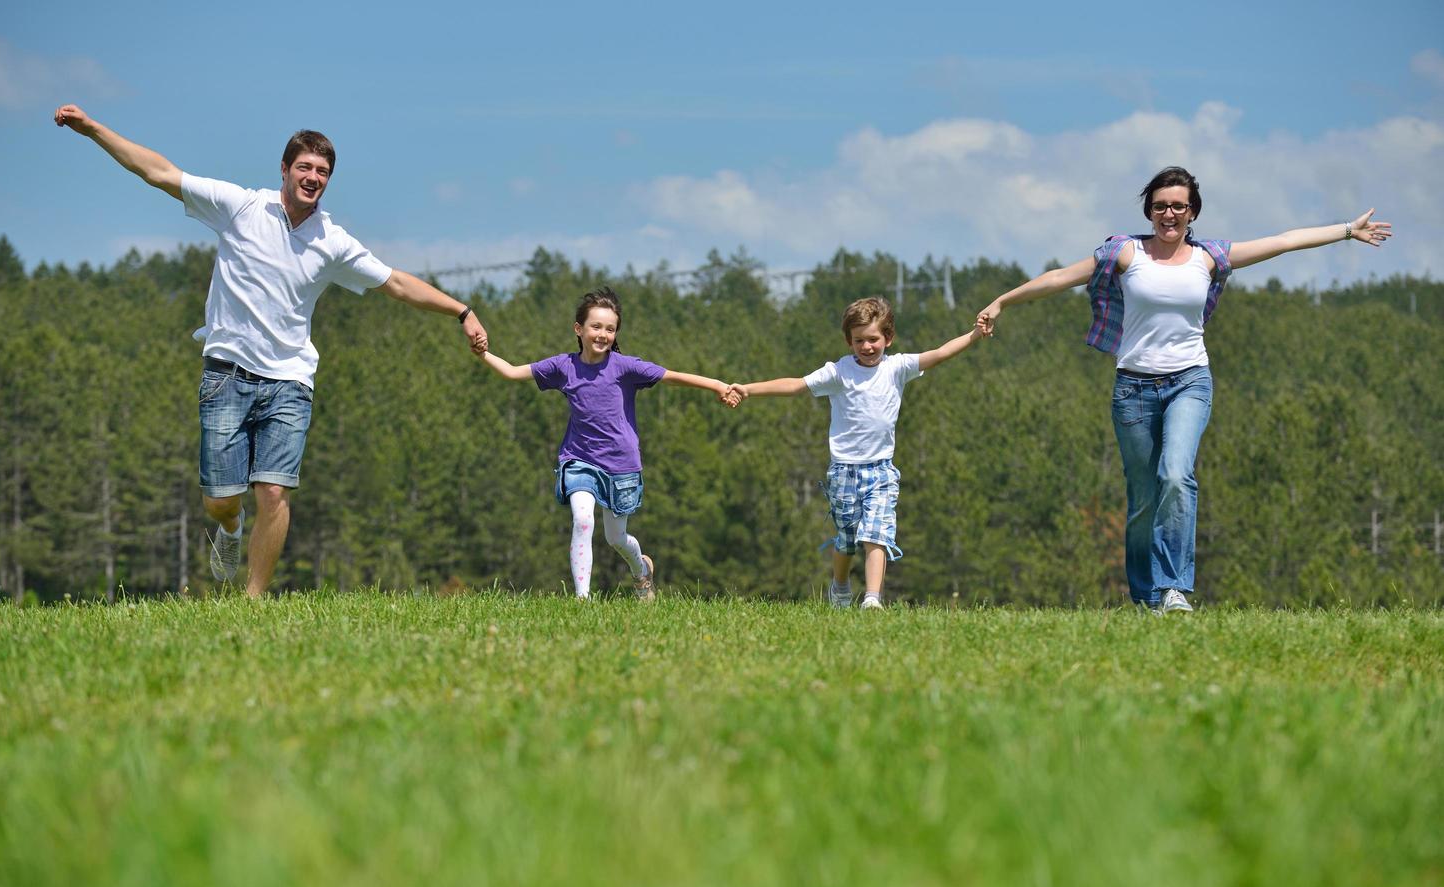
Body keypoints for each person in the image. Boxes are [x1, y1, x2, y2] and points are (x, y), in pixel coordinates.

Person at [53, 104, 490, 597]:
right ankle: (231, 528)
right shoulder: (240, 206)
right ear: (284, 170)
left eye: (322, 172)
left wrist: (461, 310)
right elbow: (156, 171)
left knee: (274, 491)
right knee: (221, 499)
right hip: (227, 373)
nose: (313, 177)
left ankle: (253, 600)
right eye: (304, 167)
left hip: (290, 380)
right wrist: (92, 129)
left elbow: (396, 283)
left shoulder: (332, 241)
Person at [975, 166, 1391, 613]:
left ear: (1192, 212)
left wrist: (1347, 231)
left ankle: (1174, 587)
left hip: (1189, 381)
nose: (1169, 213)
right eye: (1160, 206)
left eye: (1178, 206)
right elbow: (1060, 277)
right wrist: (1002, 300)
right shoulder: (1125, 254)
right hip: (1132, 388)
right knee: (1142, 499)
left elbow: (1284, 241)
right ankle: (1145, 597)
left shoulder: (1209, 257)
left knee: (1176, 475)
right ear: (1149, 211)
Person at [474, 286, 737, 601]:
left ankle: (641, 571)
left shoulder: (624, 367)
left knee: (616, 538)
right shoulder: (563, 366)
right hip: (579, 459)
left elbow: (673, 376)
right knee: (583, 520)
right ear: (579, 329)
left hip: (621, 464)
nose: (602, 334)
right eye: (596, 326)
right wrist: (483, 354)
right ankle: (582, 600)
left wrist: (718, 386)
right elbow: (513, 372)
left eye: (610, 329)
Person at [730, 297, 989, 609]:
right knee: (847, 540)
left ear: (888, 338)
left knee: (876, 533)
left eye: (873, 339)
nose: (867, 347)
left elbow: (940, 354)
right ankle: (839, 585)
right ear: (848, 341)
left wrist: (974, 335)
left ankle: (872, 598)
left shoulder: (898, 367)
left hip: (881, 470)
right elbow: (796, 385)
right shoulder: (838, 372)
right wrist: (748, 389)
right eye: (859, 341)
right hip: (843, 471)